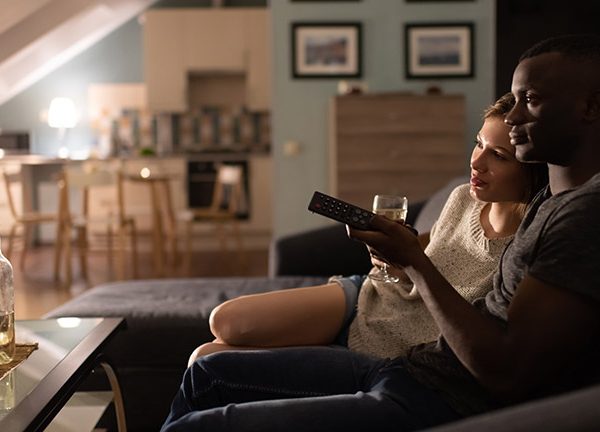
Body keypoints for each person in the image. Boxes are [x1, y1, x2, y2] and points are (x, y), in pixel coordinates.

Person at [161, 34, 600, 432]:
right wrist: (403, 252)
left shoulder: (581, 216)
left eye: (532, 100)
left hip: (434, 396)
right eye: (481, 140)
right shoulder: (553, 199)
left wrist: (413, 260)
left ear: (590, 107)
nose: (514, 114)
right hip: (415, 366)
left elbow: (506, 369)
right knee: (207, 371)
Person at [188, 92, 548, 363]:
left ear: (532, 167)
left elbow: (465, 323)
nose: (477, 162)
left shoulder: (526, 246)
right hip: (370, 296)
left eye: (497, 156)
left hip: (397, 342)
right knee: (225, 321)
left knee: (207, 357)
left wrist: (410, 263)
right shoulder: (462, 198)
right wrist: (394, 260)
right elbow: (424, 265)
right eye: (478, 144)